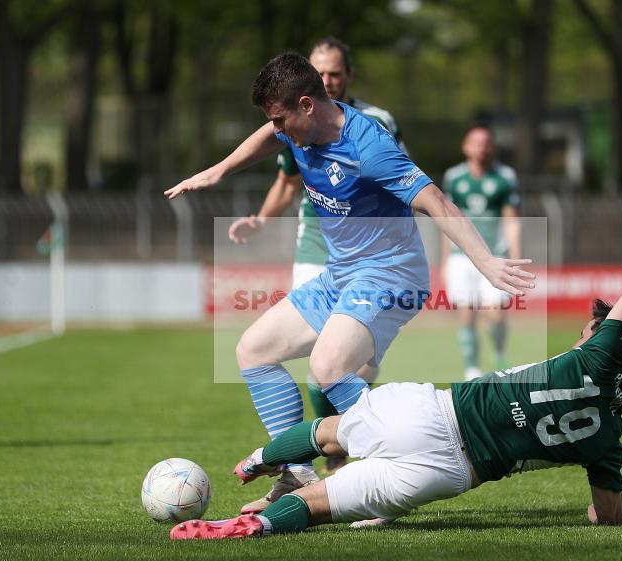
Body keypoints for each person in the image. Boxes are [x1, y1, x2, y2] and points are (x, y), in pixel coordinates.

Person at [164, 52, 534, 516]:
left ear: (307, 105)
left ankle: (398, 469)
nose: (277, 130)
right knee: (253, 350)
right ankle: (297, 473)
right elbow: (267, 136)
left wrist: (485, 262)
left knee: (328, 364)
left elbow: (435, 199)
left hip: (392, 272)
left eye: (282, 119)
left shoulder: (367, 146)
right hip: (342, 273)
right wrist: (220, 170)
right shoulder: (293, 128)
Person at [168, 266, 622, 539]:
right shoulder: (609, 437)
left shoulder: (594, 356)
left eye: (592, 326)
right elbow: (610, 516)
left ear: (606, 339)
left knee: (330, 433)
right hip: (451, 473)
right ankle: (257, 526)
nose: (585, 330)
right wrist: (594, 513)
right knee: (323, 506)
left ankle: (257, 461)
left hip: (433, 411)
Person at [227, 38, 407, 491]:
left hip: (370, 260)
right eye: (321, 71)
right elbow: (288, 180)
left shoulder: (377, 124)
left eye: (336, 73)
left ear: (348, 75)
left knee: (336, 370)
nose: (329, 79)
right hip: (316, 253)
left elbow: (399, 182)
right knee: (308, 366)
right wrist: (261, 220)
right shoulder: (293, 116)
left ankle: (376, 464)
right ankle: (313, 467)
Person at [441, 123, 521, 379]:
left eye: (486, 143)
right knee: (466, 314)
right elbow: (447, 220)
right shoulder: (454, 177)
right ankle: (472, 368)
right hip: (460, 257)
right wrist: (444, 260)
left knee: (495, 315)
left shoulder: (505, 177)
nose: (481, 148)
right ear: (466, 147)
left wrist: (516, 258)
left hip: (494, 256)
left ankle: (498, 352)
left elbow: (511, 220)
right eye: (475, 143)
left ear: (492, 147)